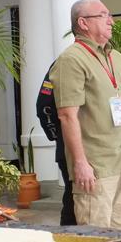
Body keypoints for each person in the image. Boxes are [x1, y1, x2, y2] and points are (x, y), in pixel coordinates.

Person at [49, 0, 121, 230]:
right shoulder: (71, 60)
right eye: (103, 15)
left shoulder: (117, 58)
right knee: (96, 235)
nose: (111, 21)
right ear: (83, 23)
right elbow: (67, 115)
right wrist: (81, 163)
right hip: (96, 166)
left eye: (109, 15)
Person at [36, 63, 77, 226]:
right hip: (69, 148)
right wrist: (57, 136)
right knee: (72, 198)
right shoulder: (63, 64)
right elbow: (44, 106)